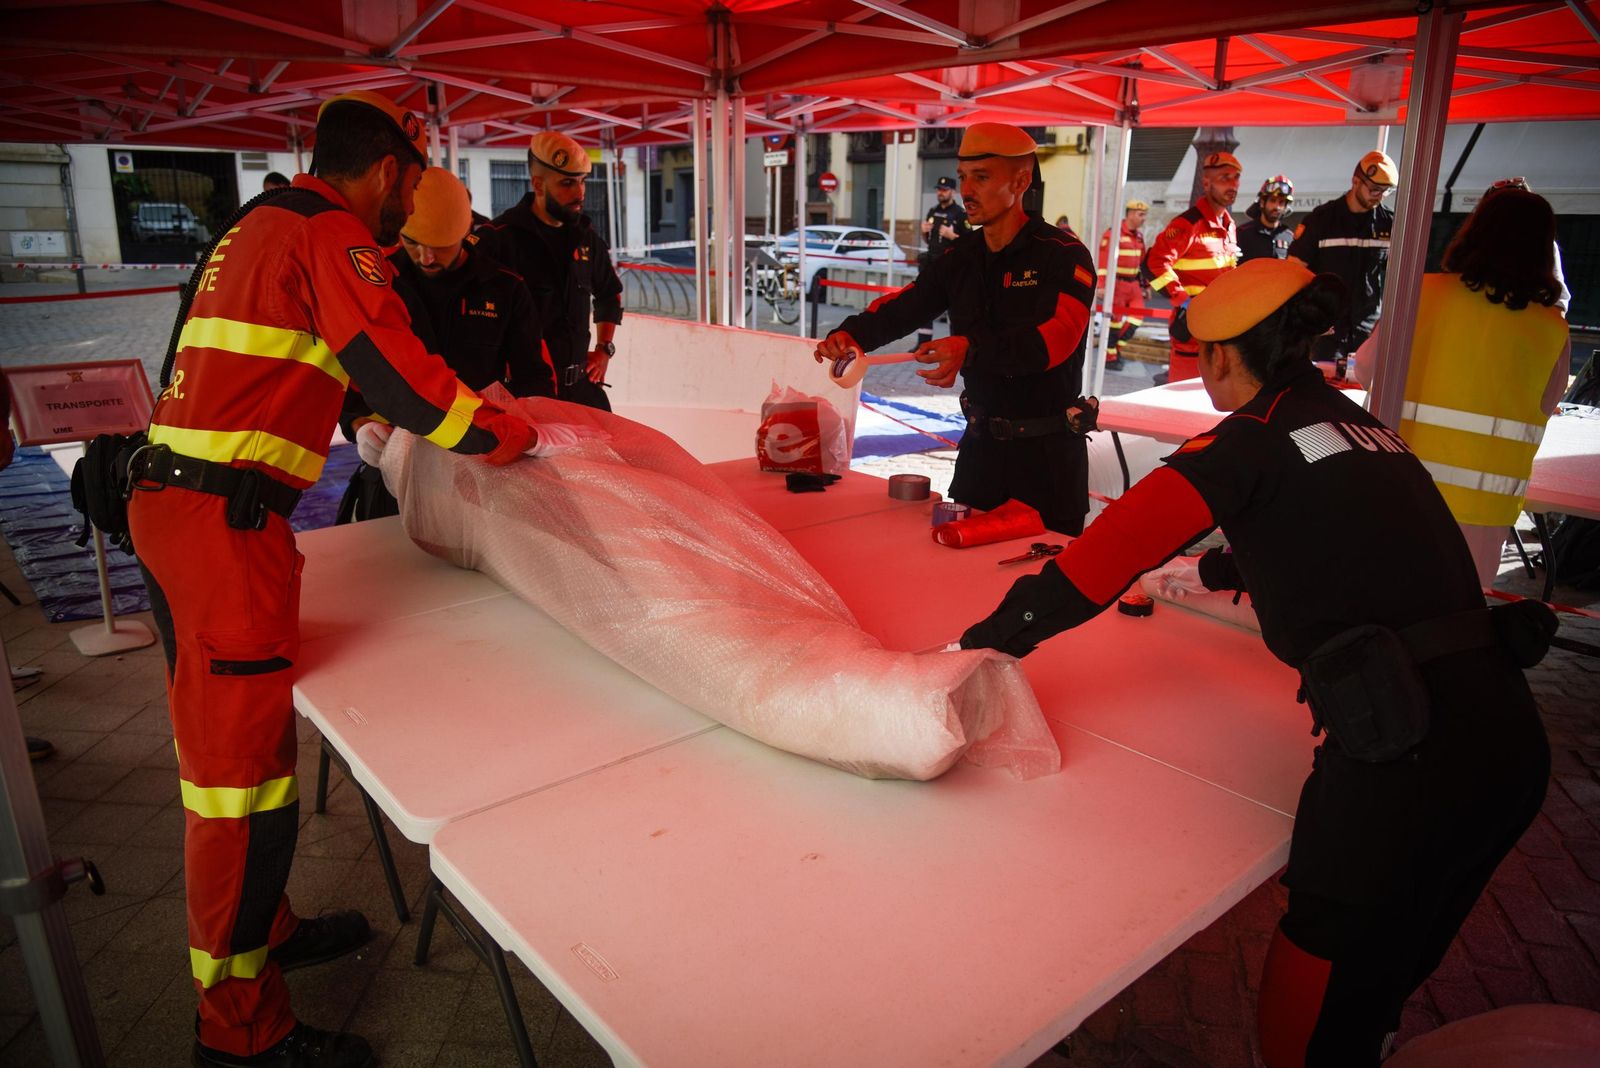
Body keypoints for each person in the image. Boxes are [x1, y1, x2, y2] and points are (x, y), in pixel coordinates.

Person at [959, 257, 1551, 1068]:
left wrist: (982, 643)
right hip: (1506, 739)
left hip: (1410, 756)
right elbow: (1338, 536)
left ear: (1220, 356)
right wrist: (1207, 572)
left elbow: (1099, 561)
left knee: (1323, 963)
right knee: (1384, 971)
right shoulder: (1351, 423)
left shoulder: (1244, 444)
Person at [128, 89, 543, 1068]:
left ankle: (265, 929)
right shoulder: (330, 234)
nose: (406, 221)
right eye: (411, 188)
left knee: (253, 764)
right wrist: (507, 435)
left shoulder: (256, 223)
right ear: (391, 172)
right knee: (234, 797)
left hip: (180, 508)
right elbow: (402, 380)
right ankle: (239, 1035)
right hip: (224, 532)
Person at [813, 123, 1098, 535]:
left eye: (981, 177)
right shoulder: (960, 256)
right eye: (963, 177)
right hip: (980, 455)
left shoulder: (1064, 254)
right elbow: (906, 305)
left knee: (1045, 586)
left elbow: (1058, 339)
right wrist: (853, 333)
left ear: (1020, 181)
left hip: (1047, 461)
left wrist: (972, 349)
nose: (967, 190)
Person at [338, 168, 555, 522]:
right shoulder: (377, 283)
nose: (425, 258)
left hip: (479, 468)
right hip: (394, 470)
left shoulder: (505, 290)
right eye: (412, 243)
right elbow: (349, 368)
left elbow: (536, 381)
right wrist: (360, 425)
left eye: (439, 247)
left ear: (465, 232)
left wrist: (528, 440)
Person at [1397, 186, 1570, 586]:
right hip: (1486, 507)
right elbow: (1548, 401)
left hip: (1399, 486)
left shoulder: (1421, 294)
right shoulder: (1551, 328)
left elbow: (1370, 368)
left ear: (1472, 231)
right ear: (1544, 249)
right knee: (1458, 619)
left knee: (1384, 605)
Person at [473, 131, 623, 411]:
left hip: (581, 392)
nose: (579, 193)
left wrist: (605, 349)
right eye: (567, 183)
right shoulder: (498, 241)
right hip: (524, 397)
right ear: (538, 184)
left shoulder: (586, 238)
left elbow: (609, 293)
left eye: (582, 182)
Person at [1288, 150, 1395, 378]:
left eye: (1386, 191)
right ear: (1356, 181)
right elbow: (1293, 271)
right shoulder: (1322, 219)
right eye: (1375, 189)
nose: (1380, 196)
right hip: (1325, 332)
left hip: (1367, 333)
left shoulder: (1390, 224)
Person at [1144, 150, 1241, 382]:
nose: (1233, 184)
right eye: (1224, 178)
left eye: (1236, 178)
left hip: (1222, 331)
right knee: (1183, 398)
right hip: (1193, 335)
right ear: (1206, 183)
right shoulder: (1188, 224)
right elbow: (1153, 264)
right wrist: (1184, 301)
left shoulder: (1229, 225)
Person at [915, 175, 970, 345]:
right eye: (939, 189)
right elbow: (927, 240)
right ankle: (923, 344)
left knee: (953, 308)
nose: (941, 192)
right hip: (932, 264)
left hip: (951, 267)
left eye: (944, 190)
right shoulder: (932, 211)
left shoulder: (961, 214)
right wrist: (923, 231)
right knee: (925, 304)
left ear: (953, 192)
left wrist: (951, 235)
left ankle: (955, 345)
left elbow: (970, 243)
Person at [1096, 198, 1149, 371]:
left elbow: (1142, 264)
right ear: (1131, 214)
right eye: (1141, 215)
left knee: (1137, 317)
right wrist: (1102, 285)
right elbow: (1103, 262)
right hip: (1116, 283)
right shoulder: (1113, 234)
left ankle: (1115, 348)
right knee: (1115, 322)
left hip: (1133, 285)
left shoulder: (1139, 236)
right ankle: (1110, 357)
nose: (1144, 218)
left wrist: (1145, 286)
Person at [1237, 175, 1295, 263]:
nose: (1277, 207)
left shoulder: (1290, 237)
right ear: (1262, 203)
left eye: (1281, 202)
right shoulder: (1242, 234)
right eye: (1272, 200)